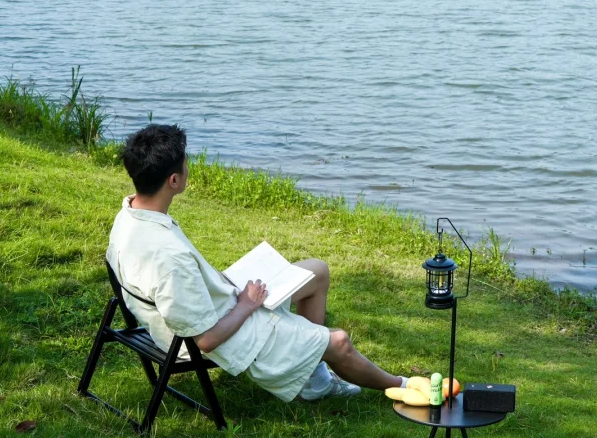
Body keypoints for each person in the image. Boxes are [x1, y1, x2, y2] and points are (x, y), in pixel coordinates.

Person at [106, 123, 406, 403]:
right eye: (186, 163)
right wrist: (247, 304)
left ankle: (312, 377)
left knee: (316, 272)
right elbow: (207, 341)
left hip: (218, 302)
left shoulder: (130, 213)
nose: (188, 167)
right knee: (339, 342)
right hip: (219, 330)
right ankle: (402, 386)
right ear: (174, 180)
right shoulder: (168, 256)